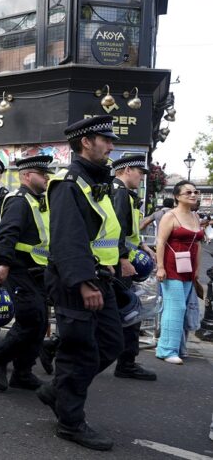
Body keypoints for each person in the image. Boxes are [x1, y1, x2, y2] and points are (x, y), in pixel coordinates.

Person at [37, 115, 123, 451]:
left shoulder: (95, 181)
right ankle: (70, 423)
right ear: (86, 142)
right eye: (106, 140)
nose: (112, 146)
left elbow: (104, 231)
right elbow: (67, 239)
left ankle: (57, 390)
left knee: (111, 343)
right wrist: (85, 283)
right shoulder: (69, 183)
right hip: (78, 282)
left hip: (101, 278)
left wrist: (119, 261)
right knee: (79, 353)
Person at [0, 155, 53, 392]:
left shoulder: (39, 201)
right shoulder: (19, 200)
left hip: (39, 270)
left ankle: (23, 372)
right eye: (42, 174)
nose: (47, 178)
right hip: (20, 269)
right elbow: (7, 234)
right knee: (30, 319)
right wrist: (3, 264)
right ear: (27, 176)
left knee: (40, 321)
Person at [110, 155, 157, 380]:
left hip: (120, 262)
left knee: (120, 313)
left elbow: (129, 231)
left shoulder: (125, 194)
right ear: (127, 170)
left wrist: (143, 246)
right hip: (119, 265)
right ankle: (126, 363)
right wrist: (123, 259)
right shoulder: (119, 192)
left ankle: (55, 347)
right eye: (140, 172)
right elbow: (116, 228)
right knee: (129, 312)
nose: (141, 177)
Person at [155, 180, 205, 364]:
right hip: (171, 267)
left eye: (195, 191)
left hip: (189, 269)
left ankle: (177, 347)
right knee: (176, 307)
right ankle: (166, 350)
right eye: (188, 192)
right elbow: (160, 242)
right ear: (177, 196)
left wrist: (197, 269)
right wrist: (160, 267)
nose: (193, 195)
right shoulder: (170, 216)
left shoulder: (196, 217)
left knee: (183, 308)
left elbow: (198, 244)